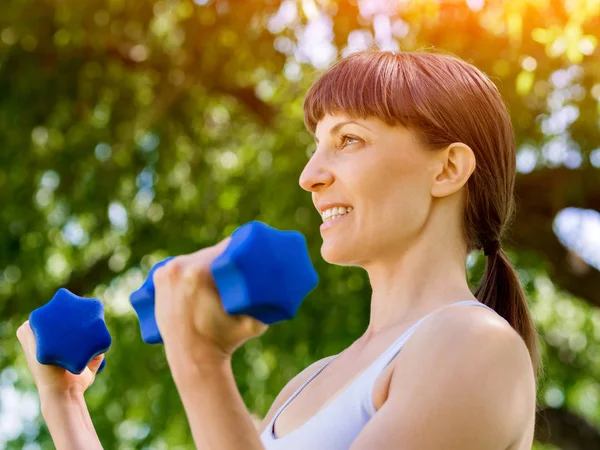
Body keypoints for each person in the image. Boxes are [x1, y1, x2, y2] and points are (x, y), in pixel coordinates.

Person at [17, 49, 539, 449]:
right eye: (316, 145)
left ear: (447, 169)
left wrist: (199, 360)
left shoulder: (476, 345)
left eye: (349, 140)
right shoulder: (307, 384)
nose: (310, 176)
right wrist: (63, 403)